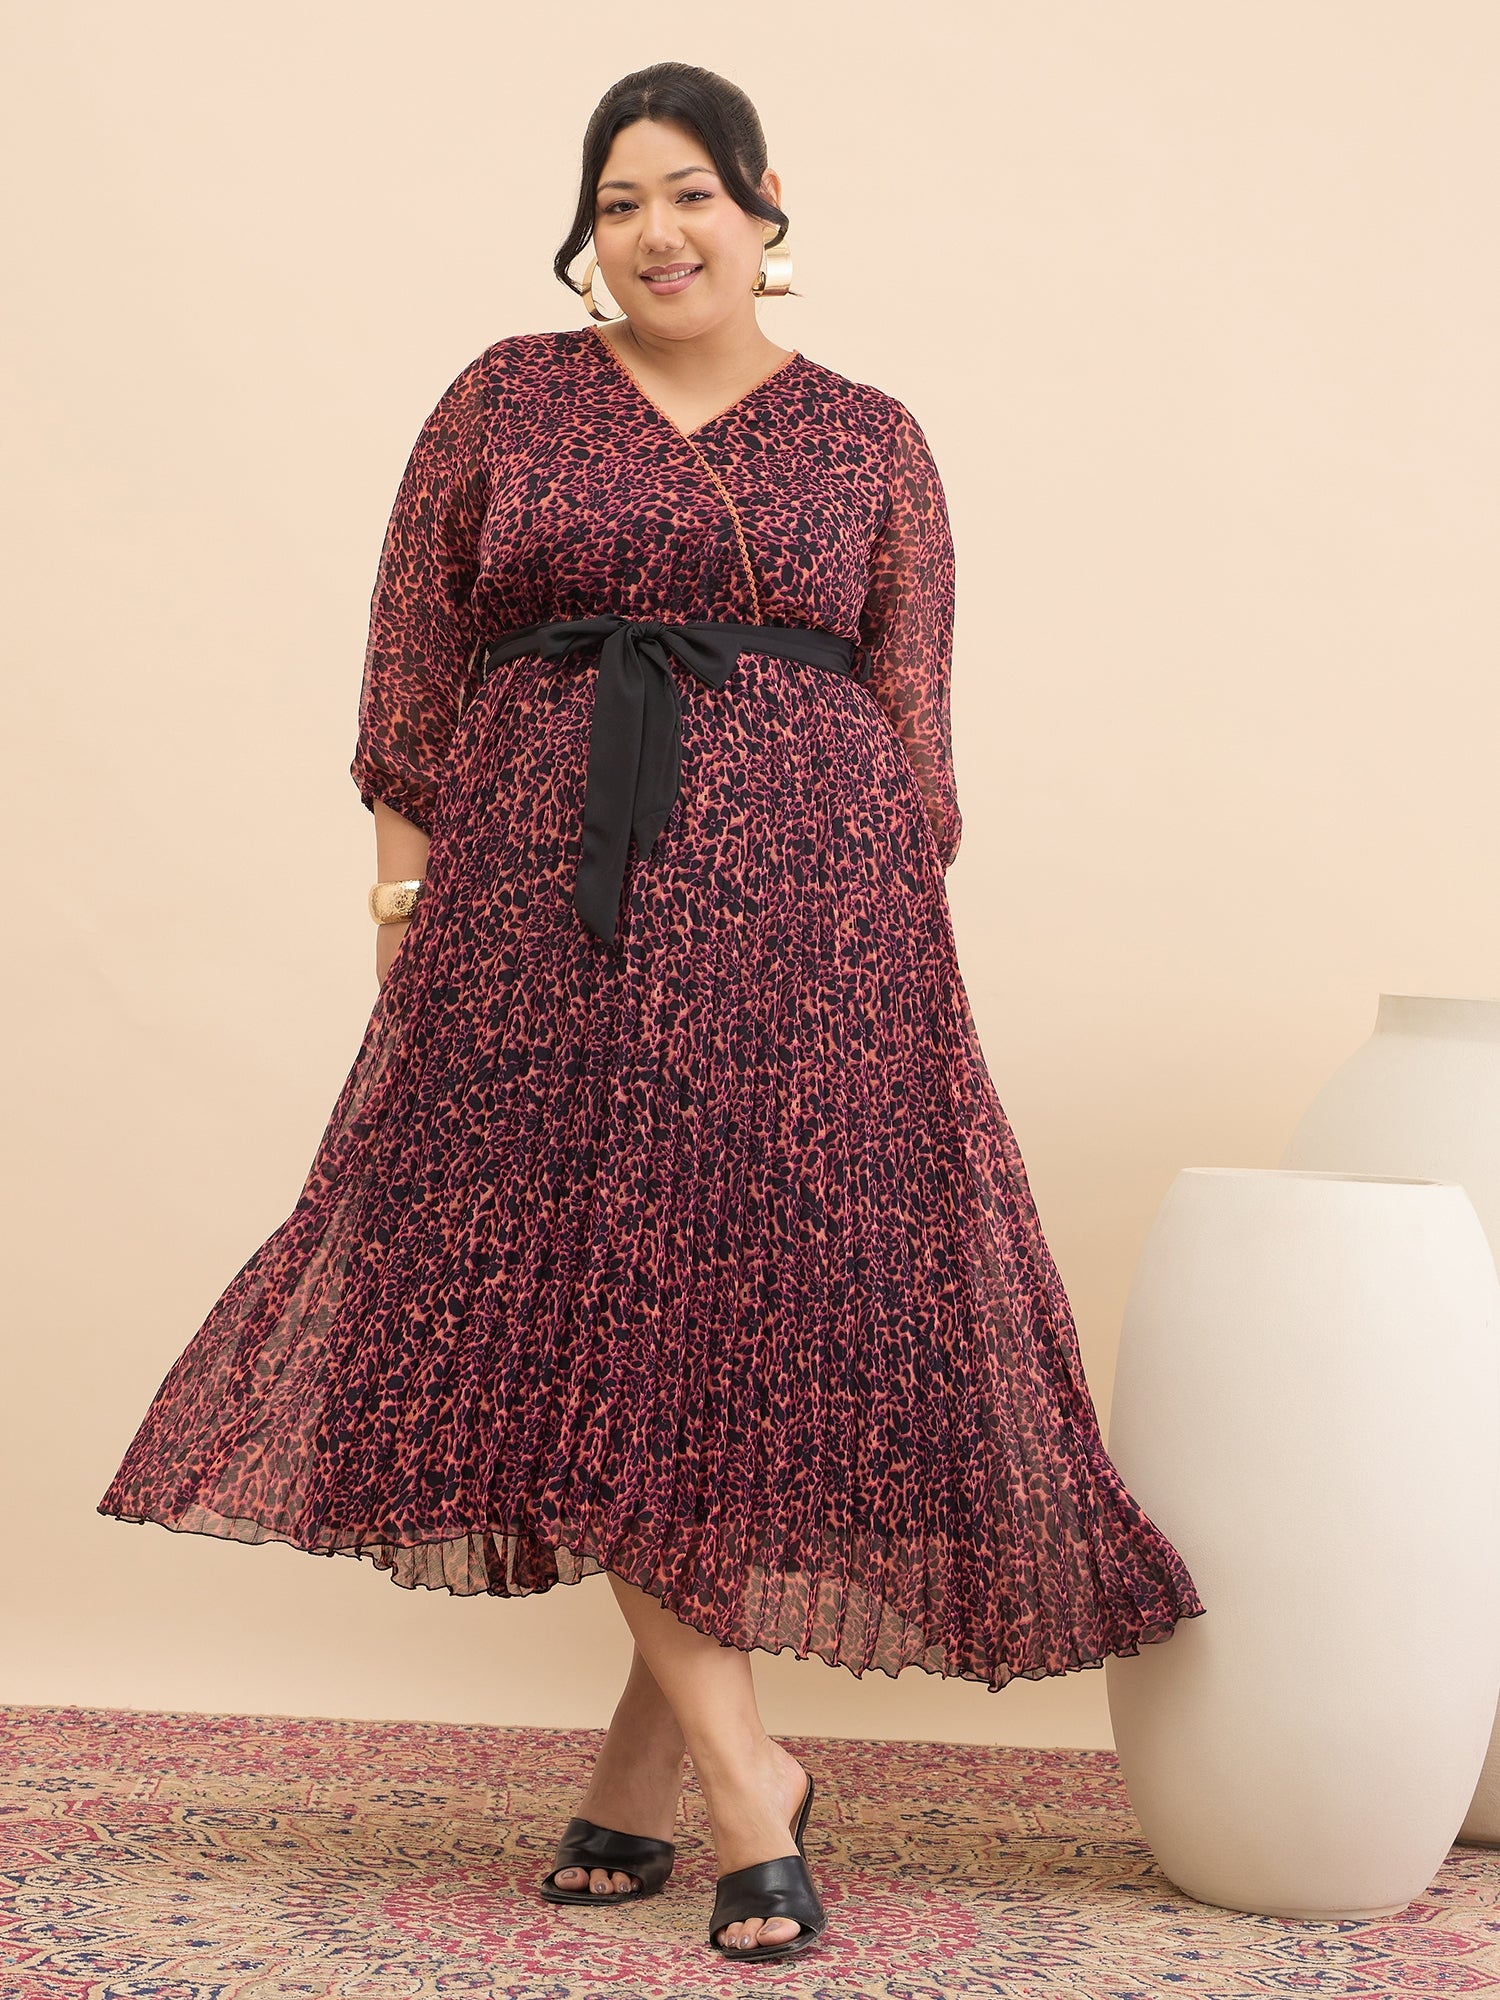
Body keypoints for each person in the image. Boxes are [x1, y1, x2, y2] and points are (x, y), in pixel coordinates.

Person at [97, 60, 1207, 1967]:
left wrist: (876, 936)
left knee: (721, 1325)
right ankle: (747, 1778)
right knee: (589, 1314)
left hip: (805, 931)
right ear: (585, 235)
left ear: (768, 209)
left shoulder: (871, 436)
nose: (656, 234)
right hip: (545, 920)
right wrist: (404, 912)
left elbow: (915, 723)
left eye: (690, 192)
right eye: (618, 204)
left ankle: (651, 1770)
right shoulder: (504, 398)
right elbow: (411, 681)